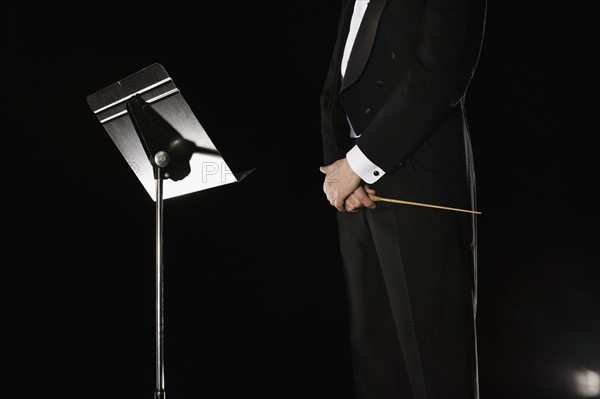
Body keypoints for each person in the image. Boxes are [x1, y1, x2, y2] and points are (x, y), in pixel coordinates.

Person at [319, 0, 487, 398]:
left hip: (417, 178)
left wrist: (359, 163)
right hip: (352, 184)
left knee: (435, 368)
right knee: (376, 362)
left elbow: (439, 75)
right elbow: (340, 73)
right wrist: (337, 165)